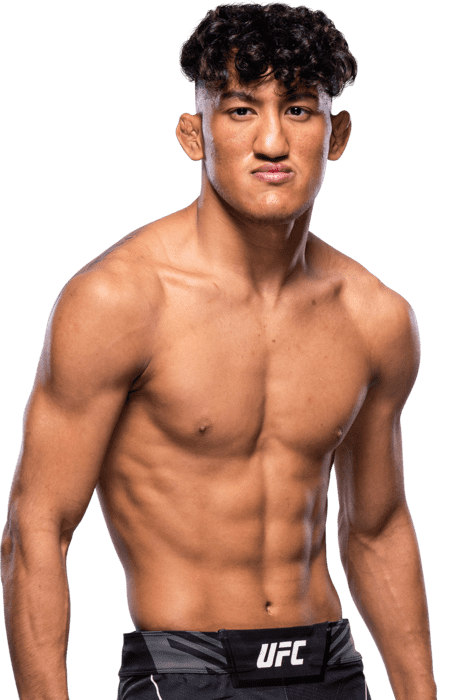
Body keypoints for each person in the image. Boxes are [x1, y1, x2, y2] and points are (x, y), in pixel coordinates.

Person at [0, 2, 437, 698]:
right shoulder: (119, 301)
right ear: (193, 134)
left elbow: (378, 529)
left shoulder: (375, 318)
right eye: (239, 110)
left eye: (299, 110)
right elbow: (37, 529)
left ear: (338, 134)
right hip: (186, 669)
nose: (272, 141)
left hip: (328, 664)